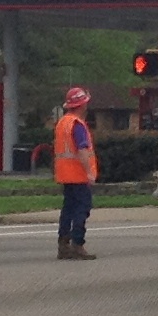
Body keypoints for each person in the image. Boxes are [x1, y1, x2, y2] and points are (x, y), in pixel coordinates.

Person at [52, 87, 98, 260]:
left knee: (68, 209)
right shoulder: (77, 125)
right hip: (78, 175)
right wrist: (89, 173)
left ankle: (63, 245)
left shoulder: (63, 123)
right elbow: (82, 150)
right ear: (82, 105)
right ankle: (77, 244)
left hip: (65, 174)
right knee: (81, 209)